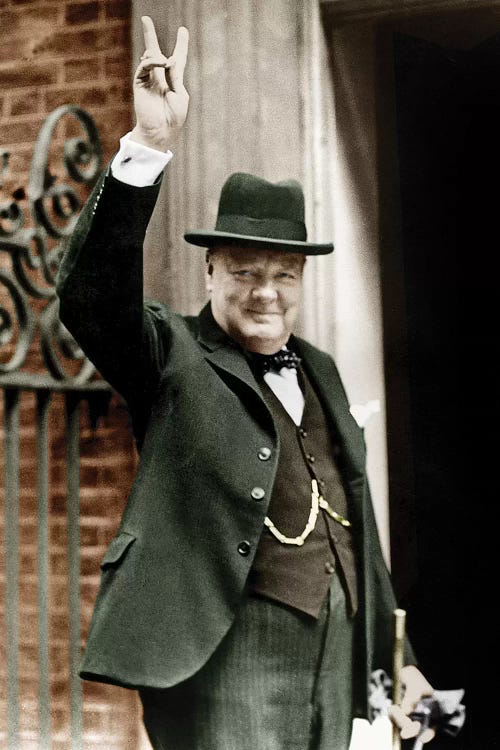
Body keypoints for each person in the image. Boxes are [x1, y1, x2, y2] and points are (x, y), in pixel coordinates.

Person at [56, 15, 436, 750]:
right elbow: (91, 300)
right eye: (244, 272)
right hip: (230, 654)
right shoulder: (173, 353)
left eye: (283, 275)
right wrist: (150, 147)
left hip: (340, 655)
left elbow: (361, 533)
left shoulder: (320, 369)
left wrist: (399, 663)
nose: (266, 292)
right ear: (209, 271)